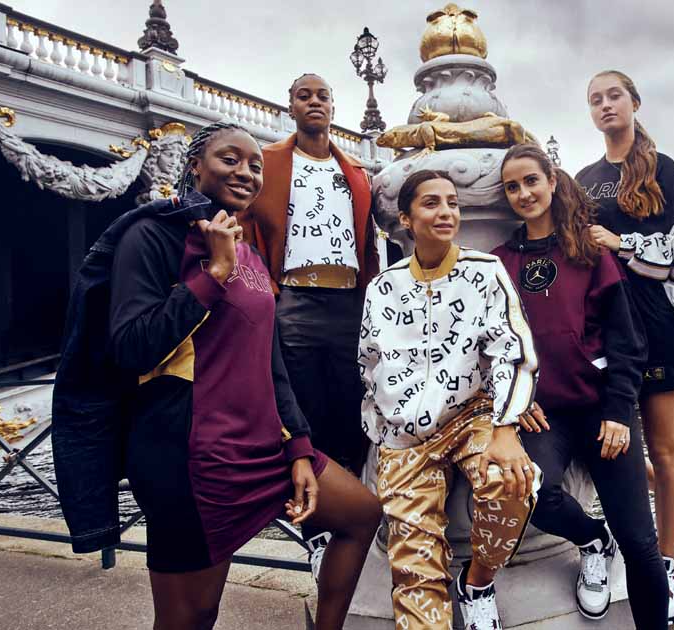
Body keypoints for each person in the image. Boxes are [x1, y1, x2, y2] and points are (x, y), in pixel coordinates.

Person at [108, 121, 380, 630]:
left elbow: (269, 359)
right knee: (191, 617)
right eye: (230, 159)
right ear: (195, 166)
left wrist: (299, 444)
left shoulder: (250, 254)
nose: (246, 172)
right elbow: (131, 347)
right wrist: (212, 274)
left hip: (262, 445)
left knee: (361, 513)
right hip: (190, 455)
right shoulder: (151, 237)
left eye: (255, 165)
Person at [491, 143, 673, 627]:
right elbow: (491, 345)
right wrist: (517, 397)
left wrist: (618, 411)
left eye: (531, 180)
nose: (524, 193)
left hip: (600, 411)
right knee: (535, 494)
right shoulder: (497, 264)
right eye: (513, 186)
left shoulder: (590, 252)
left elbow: (627, 340)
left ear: (552, 182)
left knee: (640, 541)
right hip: (544, 414)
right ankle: (593, 538)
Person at [577, 70, 674, 625]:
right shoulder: (585, 177)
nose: (605, 105)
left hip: (660, 323)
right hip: (608, 330)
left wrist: (626, 244)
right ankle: (666, 501)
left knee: (666, 449)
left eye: (614, 95)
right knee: (599, 440)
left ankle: (663, 565)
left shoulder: (663, 170)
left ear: (634, 103)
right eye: (595, 100)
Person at [359, 170, 540, 630]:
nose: (446, 213)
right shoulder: (382, 287)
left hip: (471, 415)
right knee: (413, 570)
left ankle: (477, 582)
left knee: (512, 480)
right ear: (405, 218)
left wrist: (505, 426)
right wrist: (385, 429)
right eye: (432, 204)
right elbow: (368, 360)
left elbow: (512, 351)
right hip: (404, 439)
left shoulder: (484, 271)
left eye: (453, 203)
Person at [236, 73, 379, 575]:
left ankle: (352, 513)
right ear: (291, 106)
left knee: (355, 410)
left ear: (333, 107)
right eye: (304, 95)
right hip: (294, 297)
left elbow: (368, 240)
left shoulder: (354, 170)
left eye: (322, 95)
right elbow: (247, 224)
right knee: (305, 413)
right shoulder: (271, 161)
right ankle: (316, 531)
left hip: (348, 299)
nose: (314, 102)